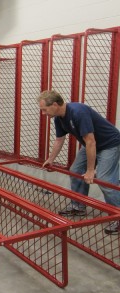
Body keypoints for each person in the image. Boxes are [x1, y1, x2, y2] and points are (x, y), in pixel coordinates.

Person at [38, 90, 120, 235]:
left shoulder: (77, 112)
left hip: (109, 144)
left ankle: (118, 216)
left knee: (105, 180)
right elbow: (59, 140)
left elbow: (90, 141)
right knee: (75, 171)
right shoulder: (58, 118)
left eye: (44, 109)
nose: (43, 113)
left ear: (55, 104)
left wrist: (90, 170)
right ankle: (78, 206)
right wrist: (51, 159)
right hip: (91, 144)